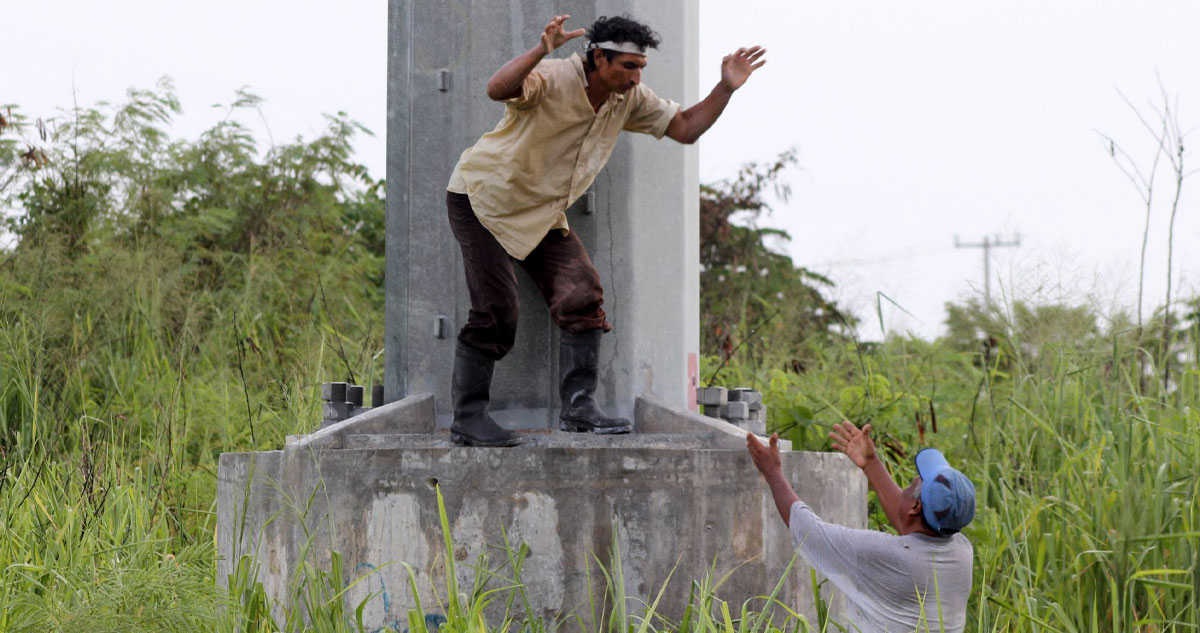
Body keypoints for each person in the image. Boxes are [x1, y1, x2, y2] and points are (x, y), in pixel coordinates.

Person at [446, 14, 766, 447]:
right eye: (628, 67)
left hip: (540, 213)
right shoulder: (555, 77)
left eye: (640, 68)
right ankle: (467, 418)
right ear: (599, 57)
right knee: (497, 309)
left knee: (582, 293)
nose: (636, 77)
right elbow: (496, 89)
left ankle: (579, 409)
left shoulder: (627, 100)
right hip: (483, 200)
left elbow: (686, 127)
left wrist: (726, 86)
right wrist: (541, 50)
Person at [747, 422, 976, 633]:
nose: (905, 487)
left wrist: (773, 472)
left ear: (915, 507)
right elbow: (909, 523)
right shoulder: (962, 552)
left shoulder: (891, 556)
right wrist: (871, 463)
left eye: (912, 484)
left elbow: (810, 532)